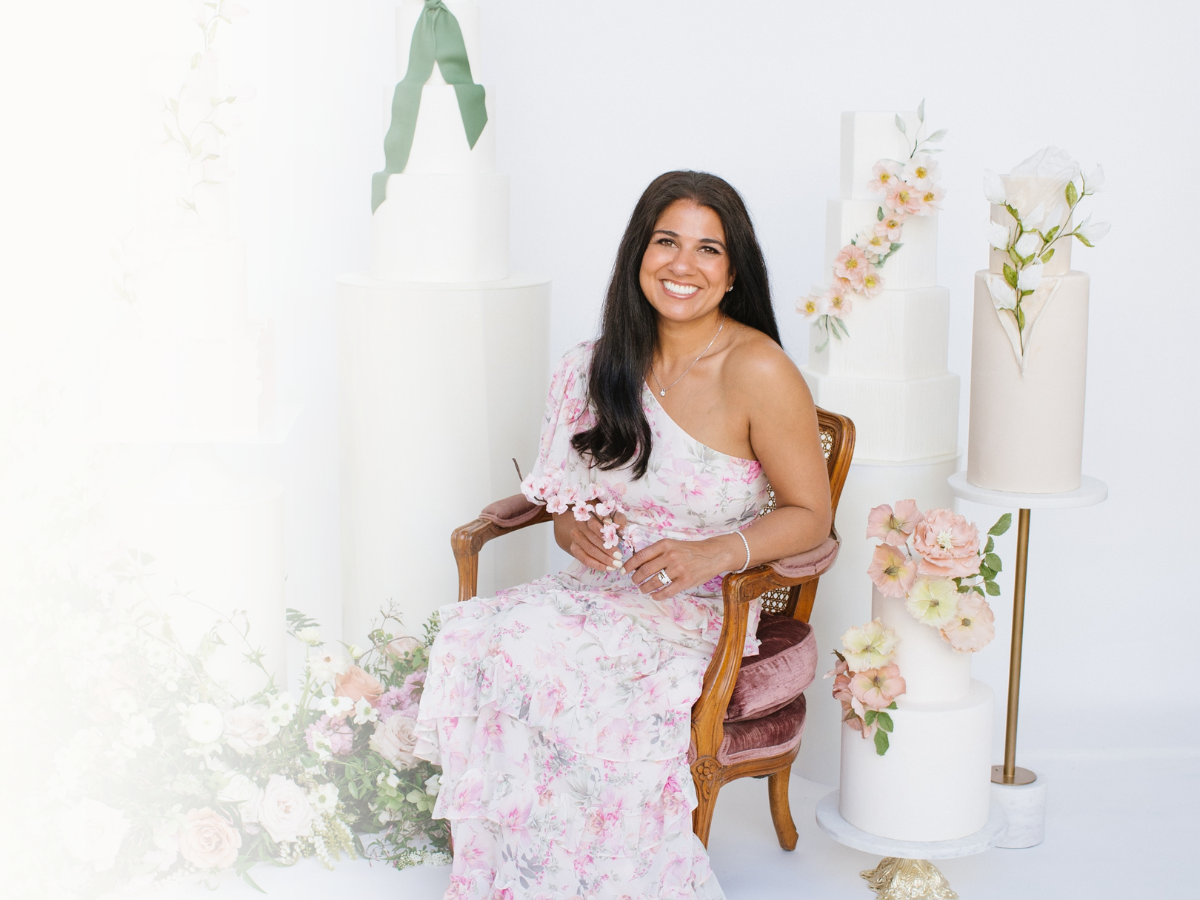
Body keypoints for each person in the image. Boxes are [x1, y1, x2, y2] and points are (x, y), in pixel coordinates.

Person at [414, 170, 832, 899]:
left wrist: (713, 552)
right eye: (666, 241)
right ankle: (515, 876)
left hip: (702, 609)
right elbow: (567, 489)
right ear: (638, 253)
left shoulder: (758, 369)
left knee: (571, 678)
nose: (683, 264)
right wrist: (572, 523)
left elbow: (810, 514)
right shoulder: (594, 365)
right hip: (601, 594)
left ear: (734, 273)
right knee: (484, 640)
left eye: (709, 249)